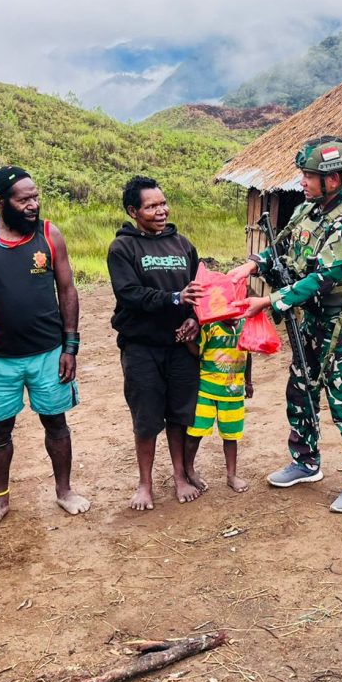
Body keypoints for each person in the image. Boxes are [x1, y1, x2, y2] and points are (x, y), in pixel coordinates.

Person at [231, 136, 342, 514]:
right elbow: (279, 249)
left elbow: (322, 278)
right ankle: (306, 461)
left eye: (309, 176)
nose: (302, 182)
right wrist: (253, 264)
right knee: (300, 389)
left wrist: (269, 301)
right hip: (308, 316)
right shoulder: (306, 212)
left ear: (333, 179)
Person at [0, 166, 89, 527]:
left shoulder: (50, 236)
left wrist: (70, 347)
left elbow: (67, 290)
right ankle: (0, 500)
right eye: (24, 199)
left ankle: (64, 492)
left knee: (56, 423)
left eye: (36, 197)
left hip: (49, 353)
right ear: (0, 201)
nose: (33, 205)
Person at [106, 175, 205, 507]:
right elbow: (130, 294)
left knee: (180, 415)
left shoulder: (184, 245)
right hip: (141, 346)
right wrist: (175, 298)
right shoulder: (123, 248)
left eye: (163, 203)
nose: (161, 211)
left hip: (181, 347)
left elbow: (200, 292)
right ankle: (145, 484)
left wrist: (195, 318)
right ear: (134, 211)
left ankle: (179, 476)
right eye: (151, 206)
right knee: (146, 418)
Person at [187, 314, 254, 493]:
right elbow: (197, 351)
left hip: (233, 393)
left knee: (230, 436)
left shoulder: (245, 326)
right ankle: (189, 470)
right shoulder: (210, 326)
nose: (233, 317)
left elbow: (248, 355)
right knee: (195, 433)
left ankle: (231, 475)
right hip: (206, 390)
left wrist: (248, 382)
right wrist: (186, 340)